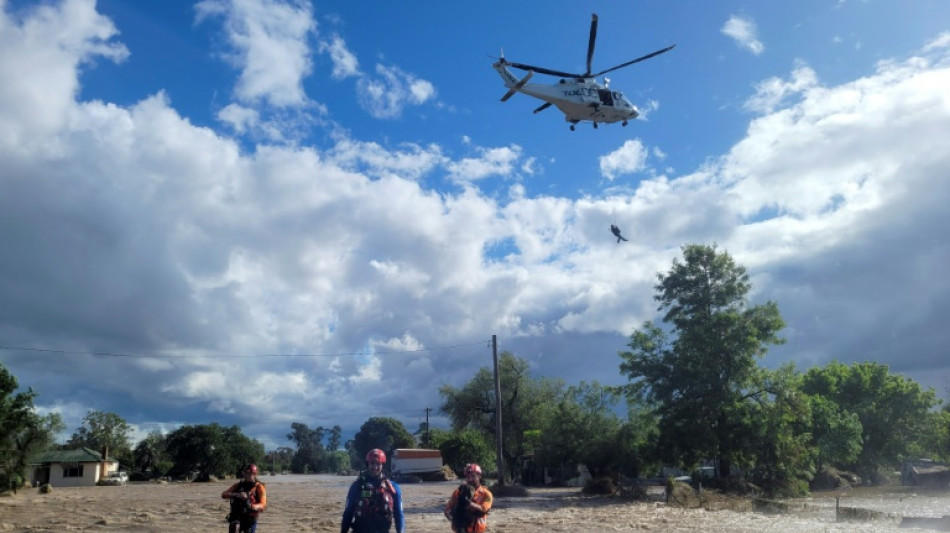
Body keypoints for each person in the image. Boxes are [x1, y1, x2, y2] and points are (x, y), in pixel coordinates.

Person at [341, 449, 405, 533]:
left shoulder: (393, 488)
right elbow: (348, 513)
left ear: (383, 465)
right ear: (367, 464)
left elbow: (399, 514)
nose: (375, 467)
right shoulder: (357, 486)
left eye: (378, 464)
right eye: (372, 463)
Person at [444, 463, 493, 533]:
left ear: (479, 476)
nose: (470, 479)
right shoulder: (458, 492)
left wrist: (467, 503)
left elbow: (484, 509)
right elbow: (447, 511)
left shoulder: (486, 494)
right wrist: (455, 519)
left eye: (473, 476)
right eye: (468, 477)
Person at [221, 464, 267, 533]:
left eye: (250, 473)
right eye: (246, 473)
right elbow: (224, 494)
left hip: (250, 518)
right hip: (237, 516)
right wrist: (236, 494)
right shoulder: (238, 485)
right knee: (234, 527)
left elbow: (263, 504)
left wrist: (251, 506)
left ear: (255, 474)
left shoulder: (259, 487)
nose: (248, 475)